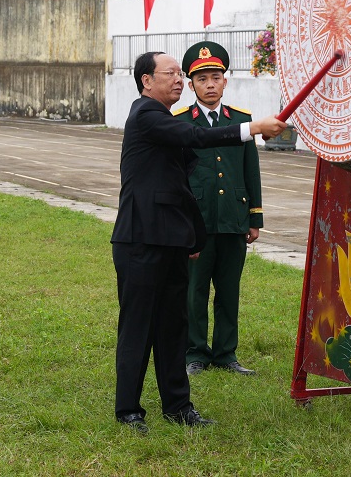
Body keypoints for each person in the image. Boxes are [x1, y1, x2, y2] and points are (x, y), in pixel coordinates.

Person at [110, 51, 286, 435]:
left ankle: (178, 406)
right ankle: (128, 411)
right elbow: (195, 135)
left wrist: (193, 235)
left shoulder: (162, 122)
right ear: (146, 81)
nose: (178, 80)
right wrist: (251, 129)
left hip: (171, 241)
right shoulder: (146, 115)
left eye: (178, 74)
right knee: (138, 328)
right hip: (140, 241)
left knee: (174, 327)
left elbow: (181, 187)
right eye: (171, 74)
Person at [175, 42, 262, 377]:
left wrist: (254, 218)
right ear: (191, 85)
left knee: (229, 290)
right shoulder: (180, 122)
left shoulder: (241, 121)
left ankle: (226, 353)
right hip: (196, 222)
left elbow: (250, 171)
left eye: (215, 77)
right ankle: (195, 352)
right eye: (202, 79)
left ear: (225, 81)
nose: (209, 84)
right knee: (194, 293)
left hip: (232, 218)